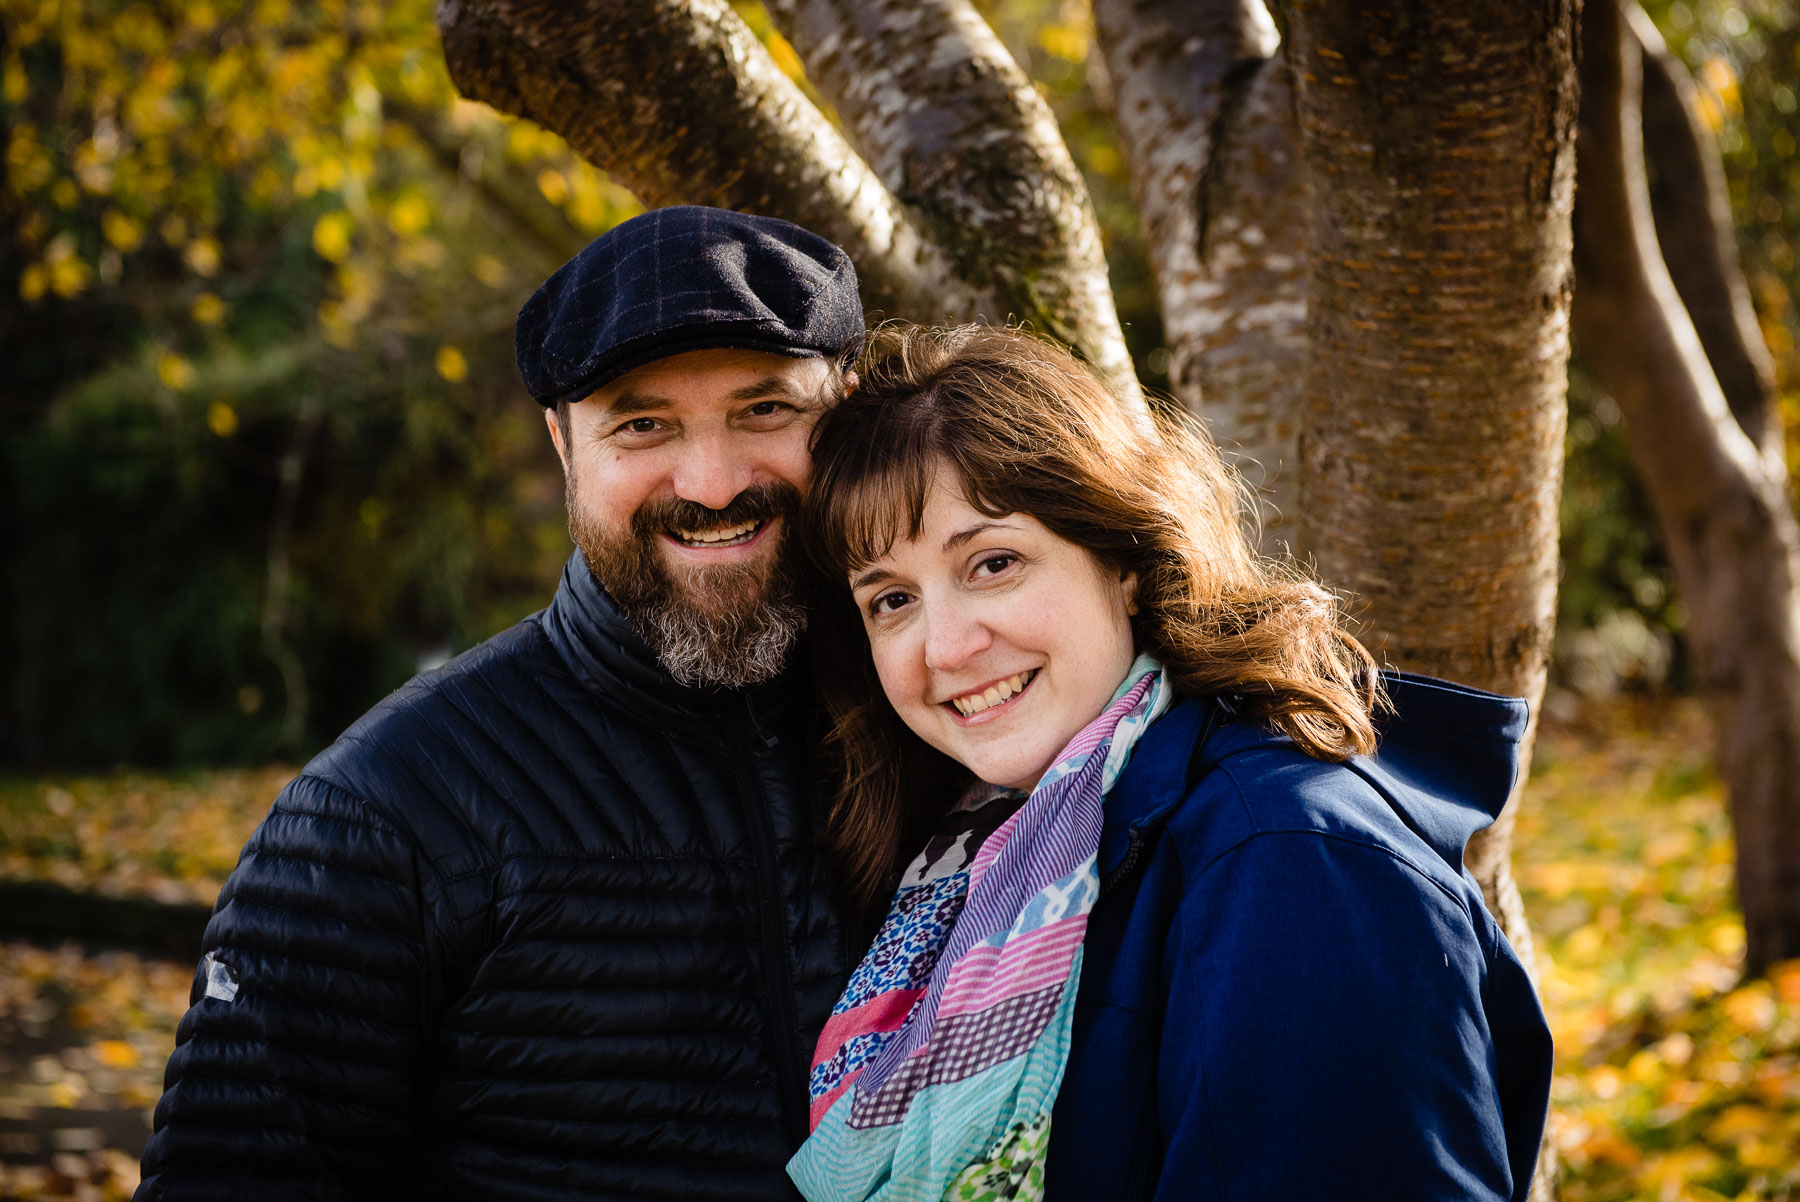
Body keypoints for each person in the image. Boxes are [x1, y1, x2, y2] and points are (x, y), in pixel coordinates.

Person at [136, 206, 861, 1201]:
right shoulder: (381, 812)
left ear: (849, 412)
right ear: (565, 444)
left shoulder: (941, 730)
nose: (712, 480)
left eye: (765, 410)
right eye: (643, 424)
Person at [786, 324, 1554, 1202]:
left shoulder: (1288, 856)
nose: (947, 647)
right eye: (891, 600)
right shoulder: (984, 869)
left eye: (993, 563)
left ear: (1125, 563)